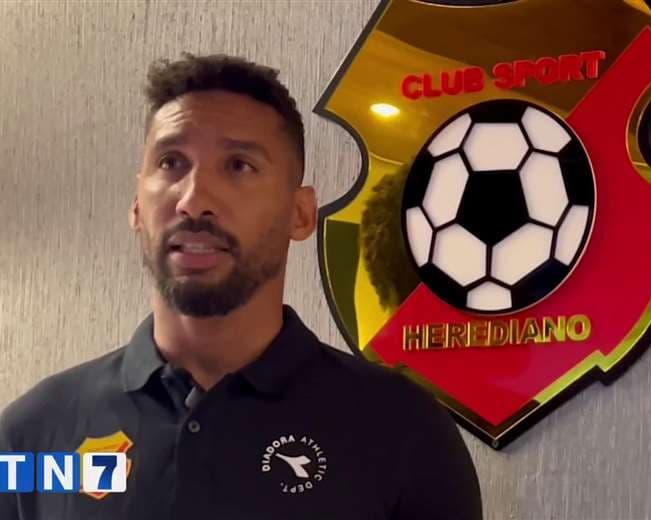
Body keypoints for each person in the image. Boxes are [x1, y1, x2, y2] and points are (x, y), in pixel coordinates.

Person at [0, 52, 482, 519]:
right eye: (171, 162)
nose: (194, 200)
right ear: (136, 207)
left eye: (238, 166)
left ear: (301, 214)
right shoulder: (33, 435)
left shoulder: (401, 431)